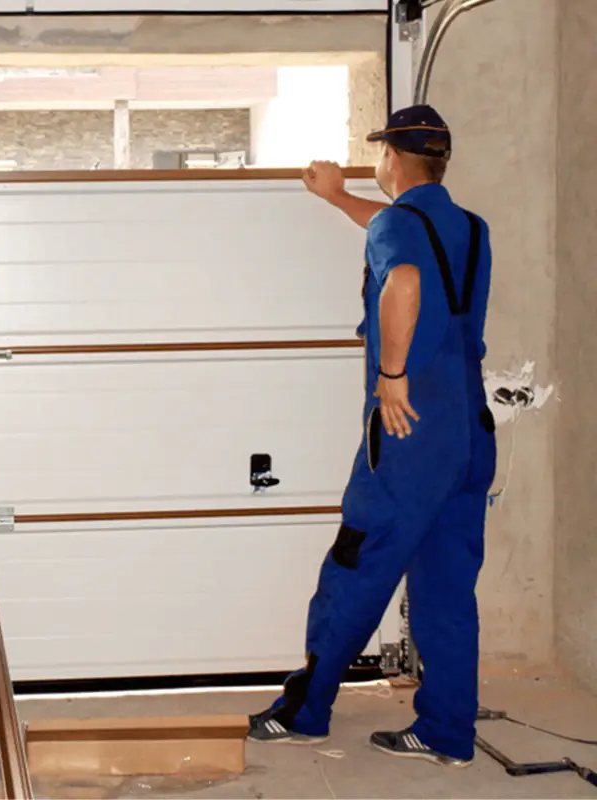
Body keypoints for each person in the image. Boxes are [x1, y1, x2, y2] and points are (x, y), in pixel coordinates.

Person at [246, 105, 497, 767]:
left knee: (357, 567)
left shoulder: (397, 225)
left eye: (381, 150)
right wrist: (339, 200)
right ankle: (446, 732)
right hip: (468, 429)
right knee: (446, 585)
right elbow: (411, 245)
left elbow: (406, 280)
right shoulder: (468, 227)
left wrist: (391, 375)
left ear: (393, 157)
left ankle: (304, 714)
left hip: (409, 429)